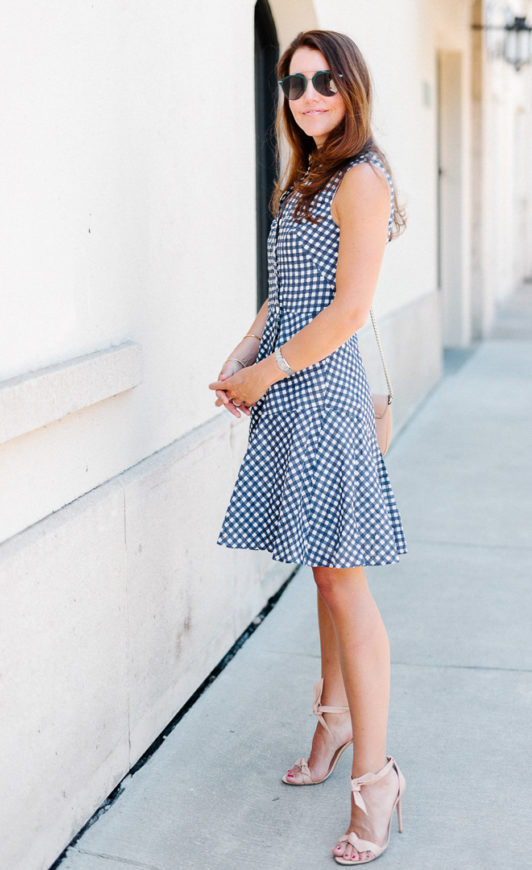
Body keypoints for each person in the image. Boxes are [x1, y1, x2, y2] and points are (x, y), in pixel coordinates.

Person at [208, 29, 407, 866]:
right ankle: (331, 723)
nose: (309, 93)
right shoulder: (306, 177)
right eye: (295, 82)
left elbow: (348, 310)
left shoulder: (359, 177)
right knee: (322, 574)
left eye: (325, 80)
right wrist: (239, 357)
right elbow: (283, 291)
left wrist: (271, 370)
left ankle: (377, 779)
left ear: (352, 86)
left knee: (343, 582)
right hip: (286, 388)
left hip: (321, 396)